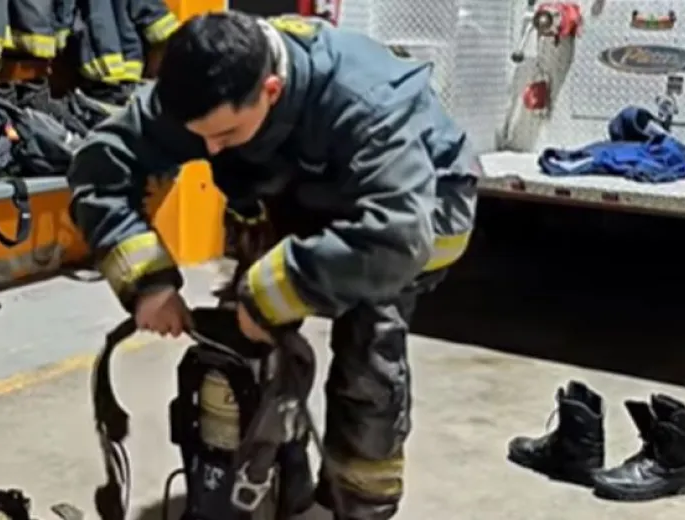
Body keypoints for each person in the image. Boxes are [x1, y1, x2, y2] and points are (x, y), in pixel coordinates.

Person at [66, 10, 479, 520]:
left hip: (416, 214)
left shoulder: (366, 101)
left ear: (273, 89)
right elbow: (99, 166)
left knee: (368, 355)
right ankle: (275, 477)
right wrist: (147, 283)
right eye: (200, 137)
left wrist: (276, 288)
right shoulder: (203, 91)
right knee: (247, 349)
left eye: (224, 134)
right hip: (305, 195)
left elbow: (397, 237)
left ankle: (361, 503)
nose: (209, 150)